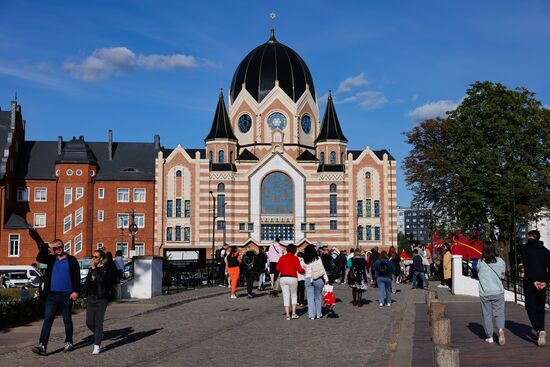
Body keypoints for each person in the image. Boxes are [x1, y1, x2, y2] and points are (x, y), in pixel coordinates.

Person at [32, 239, 80, 356]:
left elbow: (76, 277)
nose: (57, 250)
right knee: (48, 320)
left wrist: (76, 291)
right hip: (52, 295)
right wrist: (47, 245)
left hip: (66, 295)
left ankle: (69, 342)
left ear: (63, 247)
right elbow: (39, 258)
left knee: (67, 320)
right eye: (55, 248)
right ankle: (42, 346)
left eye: (59, 247)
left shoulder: (72, 260)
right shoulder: (51, 259)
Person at [522, 230, 550, 347]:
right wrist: (545, 282)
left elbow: (526, 267)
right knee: (540, 308)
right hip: (542, 283)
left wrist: (534, 281)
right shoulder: (546, 251)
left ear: (530, 237)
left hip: (530, 282)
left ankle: (538, 330)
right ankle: (542, 329)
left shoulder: (525, 249)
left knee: (530, 307)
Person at [477, 242, 506, 345]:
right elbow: (503, 275)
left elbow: (478, 273)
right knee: (499, 313)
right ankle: (500, 330)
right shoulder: (500, 261)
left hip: (485, 292)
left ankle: (490, 337)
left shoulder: (480, 262)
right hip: (498, 291)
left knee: (487, 315)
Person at [85, 249, 111, 354]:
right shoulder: (92, 268)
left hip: (101, 299)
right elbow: (88, 281)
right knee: (89, 322)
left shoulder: (105, 268)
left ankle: (97, 345)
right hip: (91, 298)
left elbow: (101, 279)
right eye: (93, 256)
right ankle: (99, 334)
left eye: (96, 257)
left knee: (98, 322)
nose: (93, 259)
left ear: (101, 259)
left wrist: (94, 268)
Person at [276, 244, 305, 320]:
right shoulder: (295, 258)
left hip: (283, 278)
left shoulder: (282, 257)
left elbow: (277, 268)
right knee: (294, 295)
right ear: (294, 250)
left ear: (287, 250)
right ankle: (294, 313)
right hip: (292, 278)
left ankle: (287, 315)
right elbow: (299, 269)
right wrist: (304, 270)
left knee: (286, 296)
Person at [303, 244, 328, 319]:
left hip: (308, 278)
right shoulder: (317, 258)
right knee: (318, 297)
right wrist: (326, 278)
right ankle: (318, 313)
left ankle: (311, 315)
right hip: (318, 278)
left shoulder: (303, 259)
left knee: (310, 298)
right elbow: (322, 269)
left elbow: (302, 269)